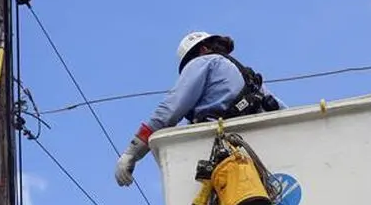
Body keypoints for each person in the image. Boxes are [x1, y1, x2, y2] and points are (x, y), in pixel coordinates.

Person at [114, 31, 286, 187]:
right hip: (265, 152)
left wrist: (132, 152)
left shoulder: (202, 62)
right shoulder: (249, 78)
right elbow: (283, 112)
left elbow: (170, 109)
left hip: (224, 148)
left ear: (203, 50)